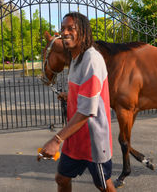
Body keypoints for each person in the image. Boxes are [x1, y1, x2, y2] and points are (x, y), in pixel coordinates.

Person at [38, 12, 116, 192]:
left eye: (70, 28)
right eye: (63, 28)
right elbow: (87, 94)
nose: (65, 32)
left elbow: (87, 110)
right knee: (62, 179)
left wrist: (55, 140)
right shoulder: (75, 58)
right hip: (75, 139)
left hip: (93, 142)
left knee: (104, 186)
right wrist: (69, 95)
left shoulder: (91, 59)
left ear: (83, 31)